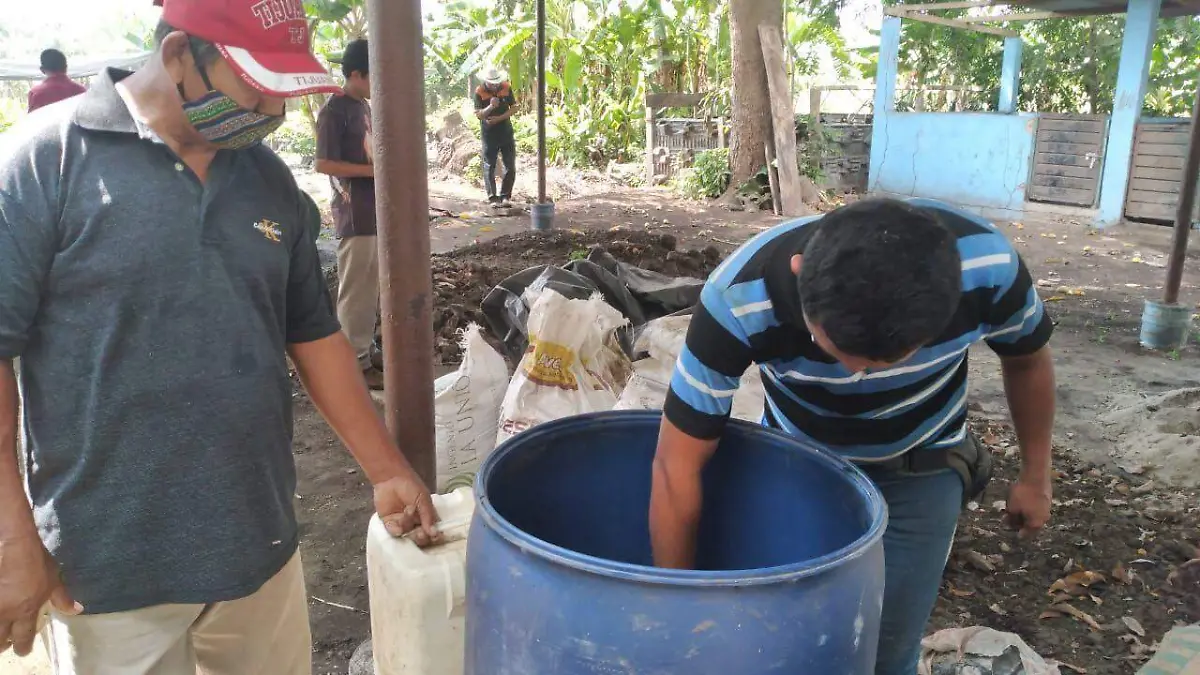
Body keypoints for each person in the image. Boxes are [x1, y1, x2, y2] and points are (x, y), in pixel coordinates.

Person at [0, 0, 440, 673]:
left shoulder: (267, 179)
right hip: (111, 573)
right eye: (255, 86)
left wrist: (386, 468)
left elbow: (313, 334)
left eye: (283, 92)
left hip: (258, 545)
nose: (272, 110)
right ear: (179, 54)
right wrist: (11, 530)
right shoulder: (46, 161)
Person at [648, 197, 1056, 675]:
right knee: (780, 636)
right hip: (800, 463)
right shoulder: (739, 297)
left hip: (923, 460)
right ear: (800, 274)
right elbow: (676, 465)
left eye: (883, 363)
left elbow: (1027, 360)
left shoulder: (987, 265)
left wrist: (1036, 475)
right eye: (837, 352)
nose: (856, 376)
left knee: (883, 651)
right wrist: (678, 611)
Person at [315, 38, 383, 390]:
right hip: (354, 212)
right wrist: (373, 172)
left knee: (369, 286)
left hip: (373, 210)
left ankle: (364, 350)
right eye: (374, 76)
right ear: (356, 74)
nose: (377, 85)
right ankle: (353, 363)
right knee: (356, 289)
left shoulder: (363, 106)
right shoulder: (334, 110)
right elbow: (323, 163)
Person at [473, 66, 517, 208]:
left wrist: (499, 118)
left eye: (496, 82)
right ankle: (492, 197)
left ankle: (505, 196)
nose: (495, 85)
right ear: (486, 81)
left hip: (506, 131)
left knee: (510, 165)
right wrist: (491, 107)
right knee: (489, 165)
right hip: (489, 133)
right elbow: (479, 115)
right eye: (492, 83)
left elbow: (514, 108)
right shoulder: (479, 91)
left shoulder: (506, 87)